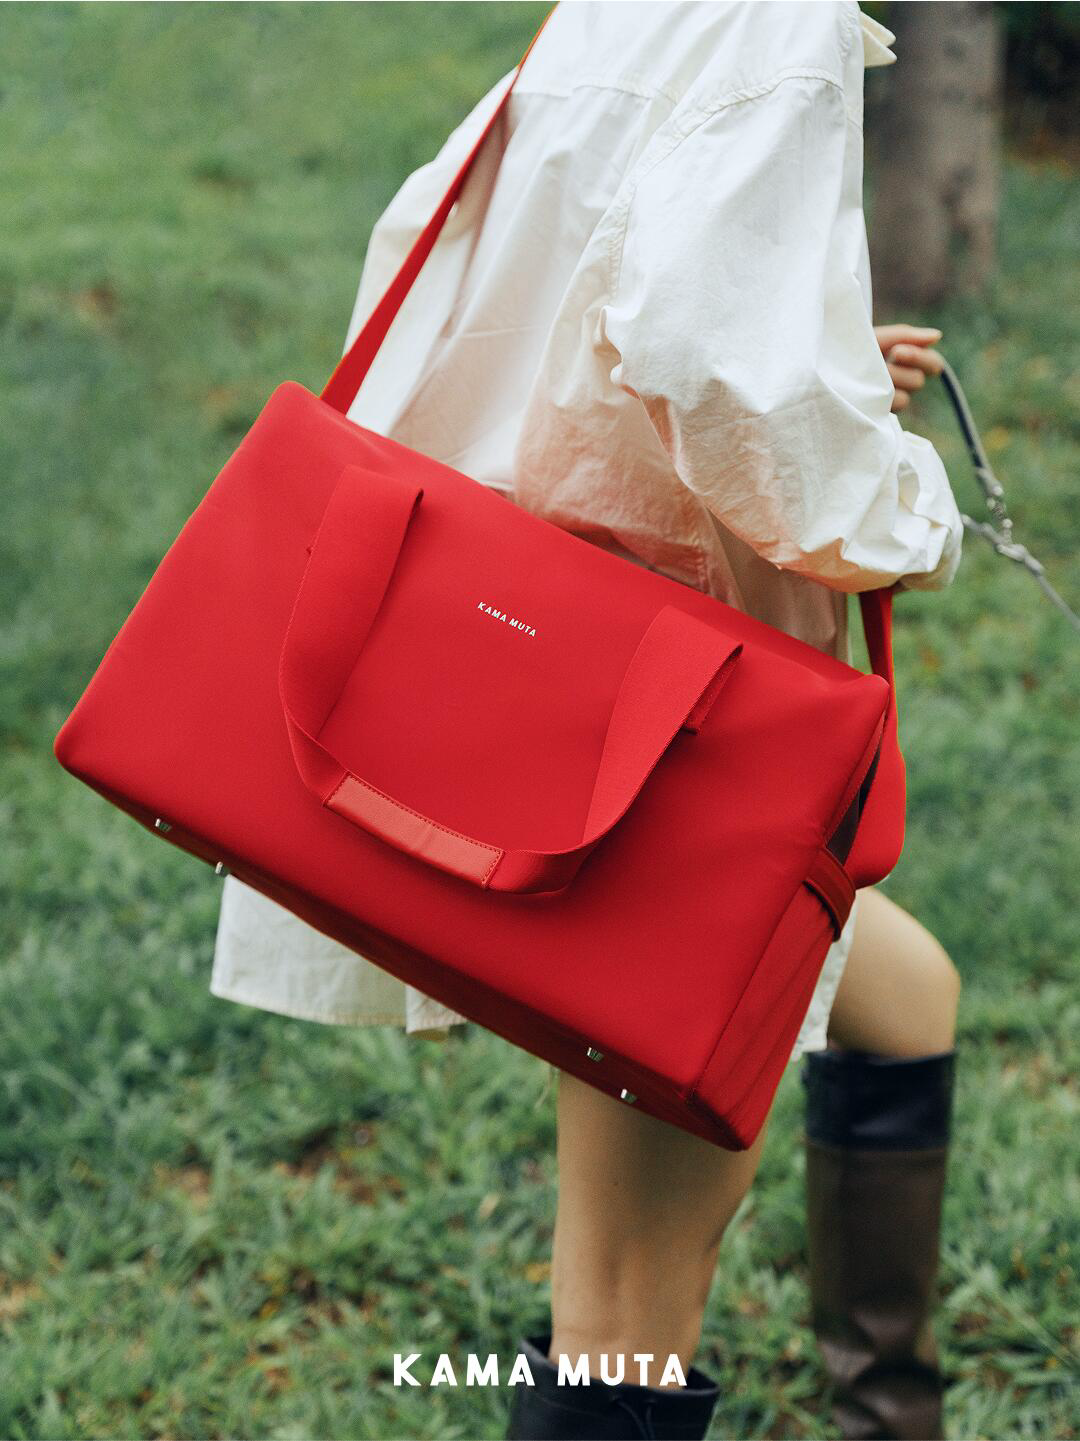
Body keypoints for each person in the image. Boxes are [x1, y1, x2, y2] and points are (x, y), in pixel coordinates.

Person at [210, 5, 964, 1438]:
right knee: (626, 1307)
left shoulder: (619, 8)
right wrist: (905, 507)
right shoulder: (780, 23)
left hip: (556, 663)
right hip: (661, 736)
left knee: (906, 996)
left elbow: (533, 282)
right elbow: (709, 360)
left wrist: (809, 360)